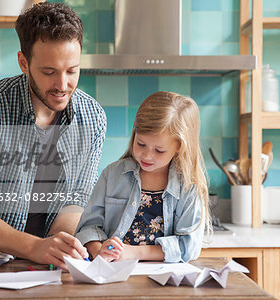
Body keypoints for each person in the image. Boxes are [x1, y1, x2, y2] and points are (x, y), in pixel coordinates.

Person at [0, 2, 106, 270]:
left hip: (43, 265)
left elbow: (77, 199)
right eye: (49, 72)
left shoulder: (93, 117)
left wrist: (58, 243)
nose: (63, 85)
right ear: (24, 63)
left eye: (72, 71)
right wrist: (36, 247)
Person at [75, 91, 210, 262]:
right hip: (112, 272)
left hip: (162, 278)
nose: (146, 156)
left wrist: (133, 252)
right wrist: (99, 250)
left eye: (159, 150)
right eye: (141, 144)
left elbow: (188, 247)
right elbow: (87, 228)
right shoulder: (112, 174)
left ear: (179, 147)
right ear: (135, 134)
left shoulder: (188, 186)